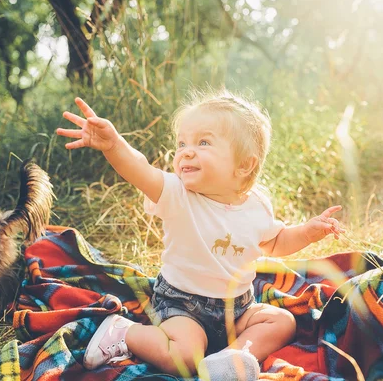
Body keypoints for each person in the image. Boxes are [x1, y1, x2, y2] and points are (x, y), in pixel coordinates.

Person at [56, 90, 344, 380]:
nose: (186, 151)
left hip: (239, 308)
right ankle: (125, 332)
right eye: (182, 143)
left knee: (282, 321)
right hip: (182, 305)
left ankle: (231, 359)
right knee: (184, 357)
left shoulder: (257, 205)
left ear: (244, 165)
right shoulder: (177, 194)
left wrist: (307, 232)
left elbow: (276, 241)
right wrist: (114, 145)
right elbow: (139, 170)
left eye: (203, 142)